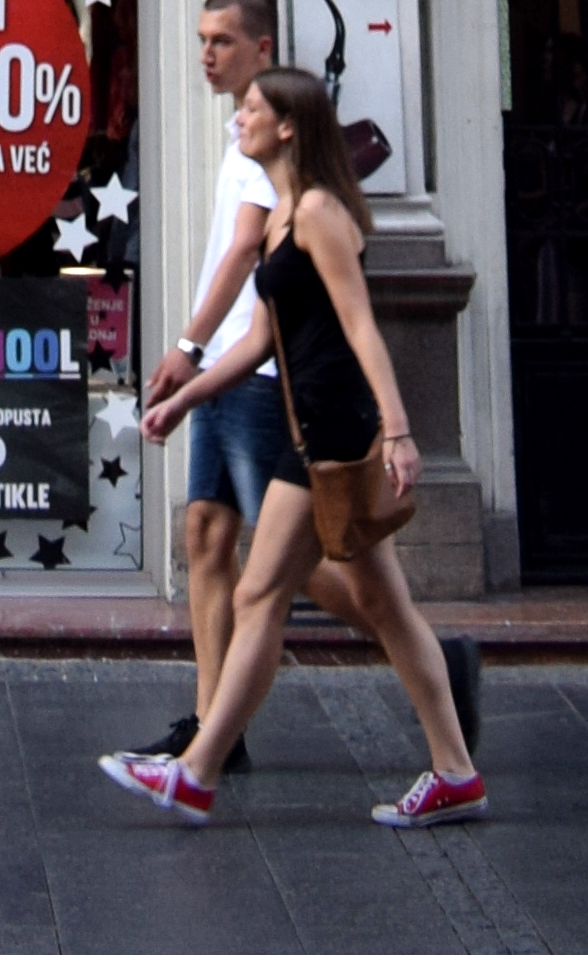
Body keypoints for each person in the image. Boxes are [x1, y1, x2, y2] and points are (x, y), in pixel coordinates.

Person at [103, 66, 484, 830]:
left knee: (259, 592)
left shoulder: (317, 213)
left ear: (287, 127)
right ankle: (456, 772)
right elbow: (258, 338)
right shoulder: (280, 215)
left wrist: (401, 432)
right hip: (307, 425)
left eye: (251, 109)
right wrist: (185, 397)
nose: (236, 117)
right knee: (382, 602)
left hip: (333, 428)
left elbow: (361, 325)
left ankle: (199, 770)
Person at [135, 0, 286, 776]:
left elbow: (243, 251)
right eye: (201, 39)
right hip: (224, 361)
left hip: (249, 369)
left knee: (291, 560)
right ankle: (211, 724)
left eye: (221, 41)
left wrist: (189, 346)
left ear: (262, 47)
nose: (205, 54)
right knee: (206, 533)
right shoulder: (242, 129)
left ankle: (432, 652)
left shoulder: (274, 132)